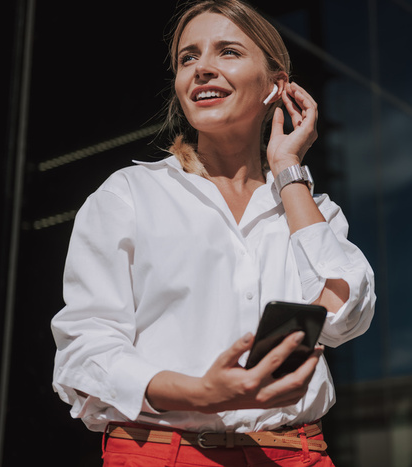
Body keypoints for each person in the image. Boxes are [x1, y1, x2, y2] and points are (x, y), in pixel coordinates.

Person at [50, 0, 376, 466]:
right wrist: (202, 393)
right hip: (164, 454)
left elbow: (347, 313)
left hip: (295, 455)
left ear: (276, 85)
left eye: (227, 52)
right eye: (188, 58)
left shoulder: (311, 210)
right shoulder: (129, 195)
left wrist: (287, 169)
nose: (202, 68)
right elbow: (84, 353)